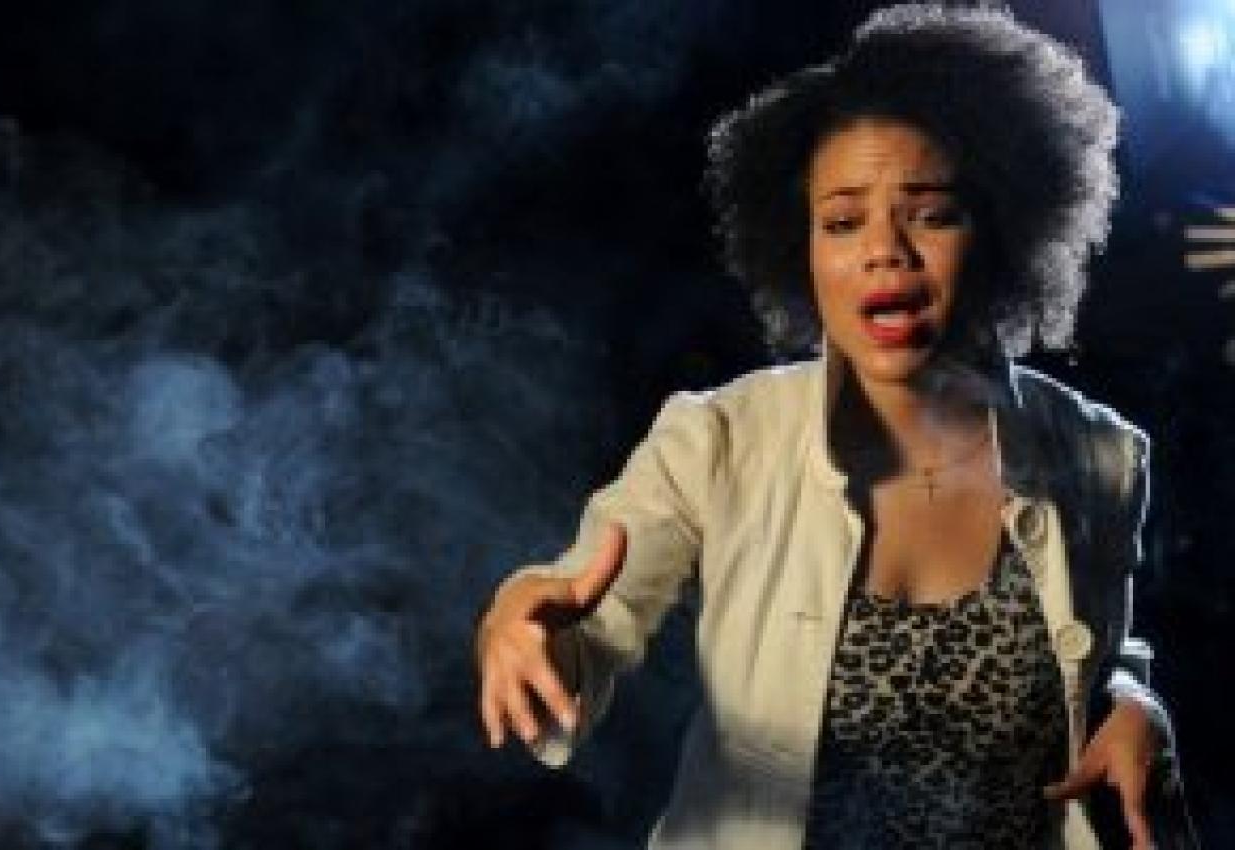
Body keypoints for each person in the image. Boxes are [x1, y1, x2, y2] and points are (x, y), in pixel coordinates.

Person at [473, 4, 1180, 848]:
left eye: (930, 213)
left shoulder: (1101, 457)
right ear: (800, 251)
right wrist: (516, 622)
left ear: (1000, 228)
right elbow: (585, 619)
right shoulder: (715, 441)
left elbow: (1099, 647)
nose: (885, 250)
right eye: (842, 221)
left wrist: (1136, 701)